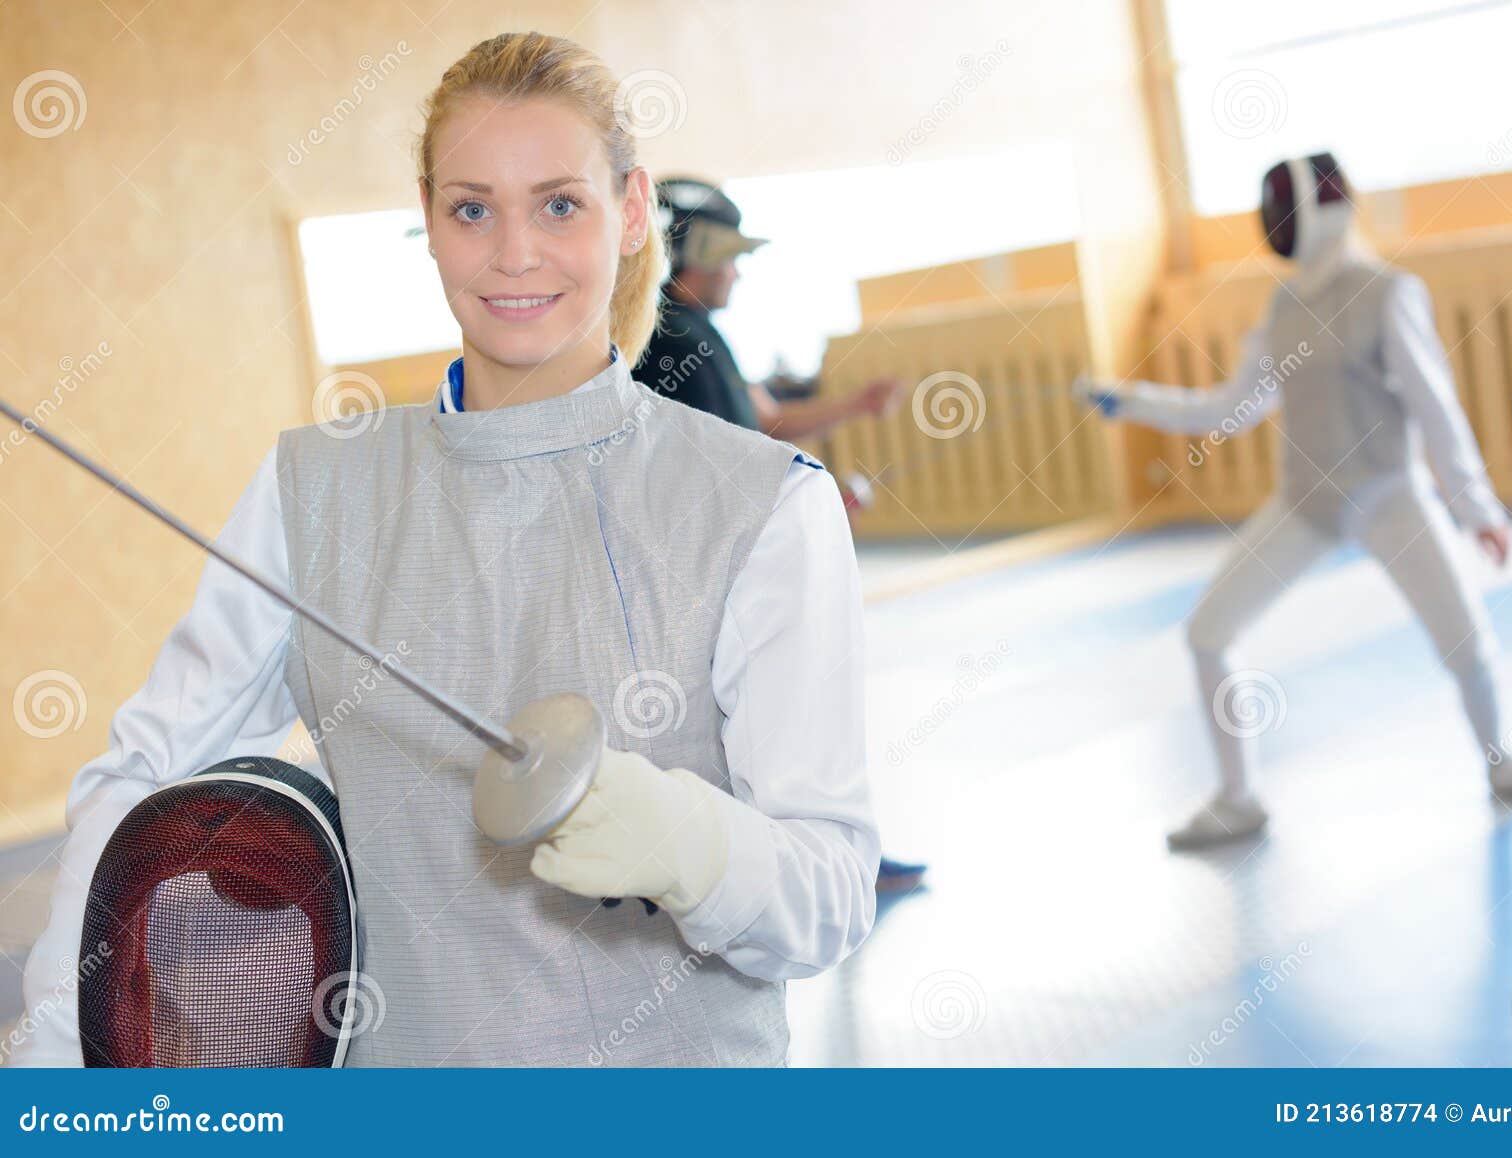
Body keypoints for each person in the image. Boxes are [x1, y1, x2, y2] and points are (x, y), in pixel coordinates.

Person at [12, 30, 877, 1067]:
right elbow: (143, 776)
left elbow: (828, 899)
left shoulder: (763, 506)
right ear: (428, 219)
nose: (514, 253)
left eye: (560, 203)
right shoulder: (313, 489)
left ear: (632, 209)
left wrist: (694, 841)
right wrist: (54, 1049)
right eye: (473, 208)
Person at [1078, 151, 1512, 851]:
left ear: (1315, 212)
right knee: (1207, 633)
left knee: (1465, 640)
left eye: (1282, 211)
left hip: (1391, 494)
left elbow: (1436, 407)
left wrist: (1477, 508)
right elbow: (1230, 409)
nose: (1274, 226)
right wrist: (1135, 400)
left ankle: (1501, 764)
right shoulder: (1285, 307)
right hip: (1305, 504)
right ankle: (1239, 799)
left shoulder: (1388, 292)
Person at [636, 176, 927, 895]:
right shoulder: (675, 333)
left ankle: (826, 860)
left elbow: (757, 425)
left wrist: (850, 417)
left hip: (726, 573)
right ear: (691, 253)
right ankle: (802, 875)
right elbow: (715, 471)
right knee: (774, 730)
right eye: (727, 255)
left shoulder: (691, 331)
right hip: (718, 585)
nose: (736, 270)